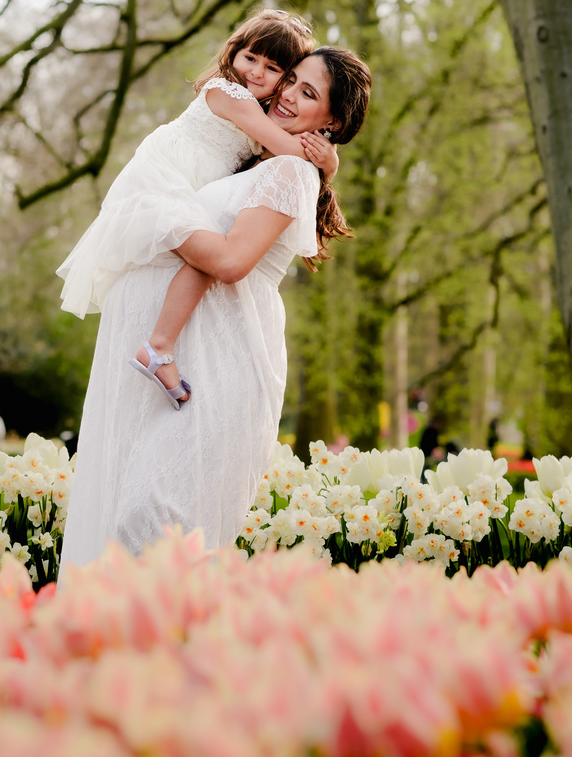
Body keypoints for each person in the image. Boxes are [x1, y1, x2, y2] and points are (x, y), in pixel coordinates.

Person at [58, 48, 371, 575]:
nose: (288, 95)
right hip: (180, 364)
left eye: (308, 93)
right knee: (129, 521)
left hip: (225, 364)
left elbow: (229, 262)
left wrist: (151, 215)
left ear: (333, 122)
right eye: (290, 80)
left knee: (154, 520)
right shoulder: (254, 159)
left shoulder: (292, 172)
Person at [57, 9, 338, 409]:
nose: (256, 72)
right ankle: (160, 344)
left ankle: (160, 344)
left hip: (192, 184)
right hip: (168, 177)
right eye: (250, 58)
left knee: (212, 252)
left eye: (274, 68)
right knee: (211, 251)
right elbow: (290, 149)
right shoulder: (229, 93)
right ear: (233, 51)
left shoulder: (256, 111)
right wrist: (329, 162)